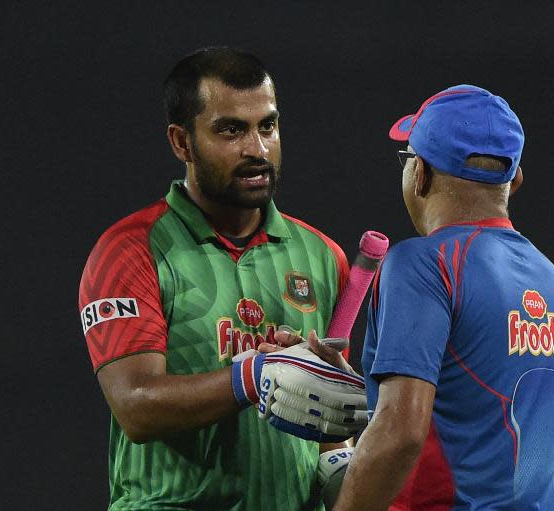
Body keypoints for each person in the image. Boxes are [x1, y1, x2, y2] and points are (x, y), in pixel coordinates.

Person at [78, 46, 363, 510]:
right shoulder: (129, 251)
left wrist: (342, 460)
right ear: (181, 142)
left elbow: (324, 426)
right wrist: (251, 376)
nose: (256, 148)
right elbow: (135, 406)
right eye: (230, 130)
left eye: (267, 126)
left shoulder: (323, 256)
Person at [317, 85, 554, 510]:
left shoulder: (422, 264)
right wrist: (367, 390)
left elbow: (400, 434)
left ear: (419, 172)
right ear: (514, 179)